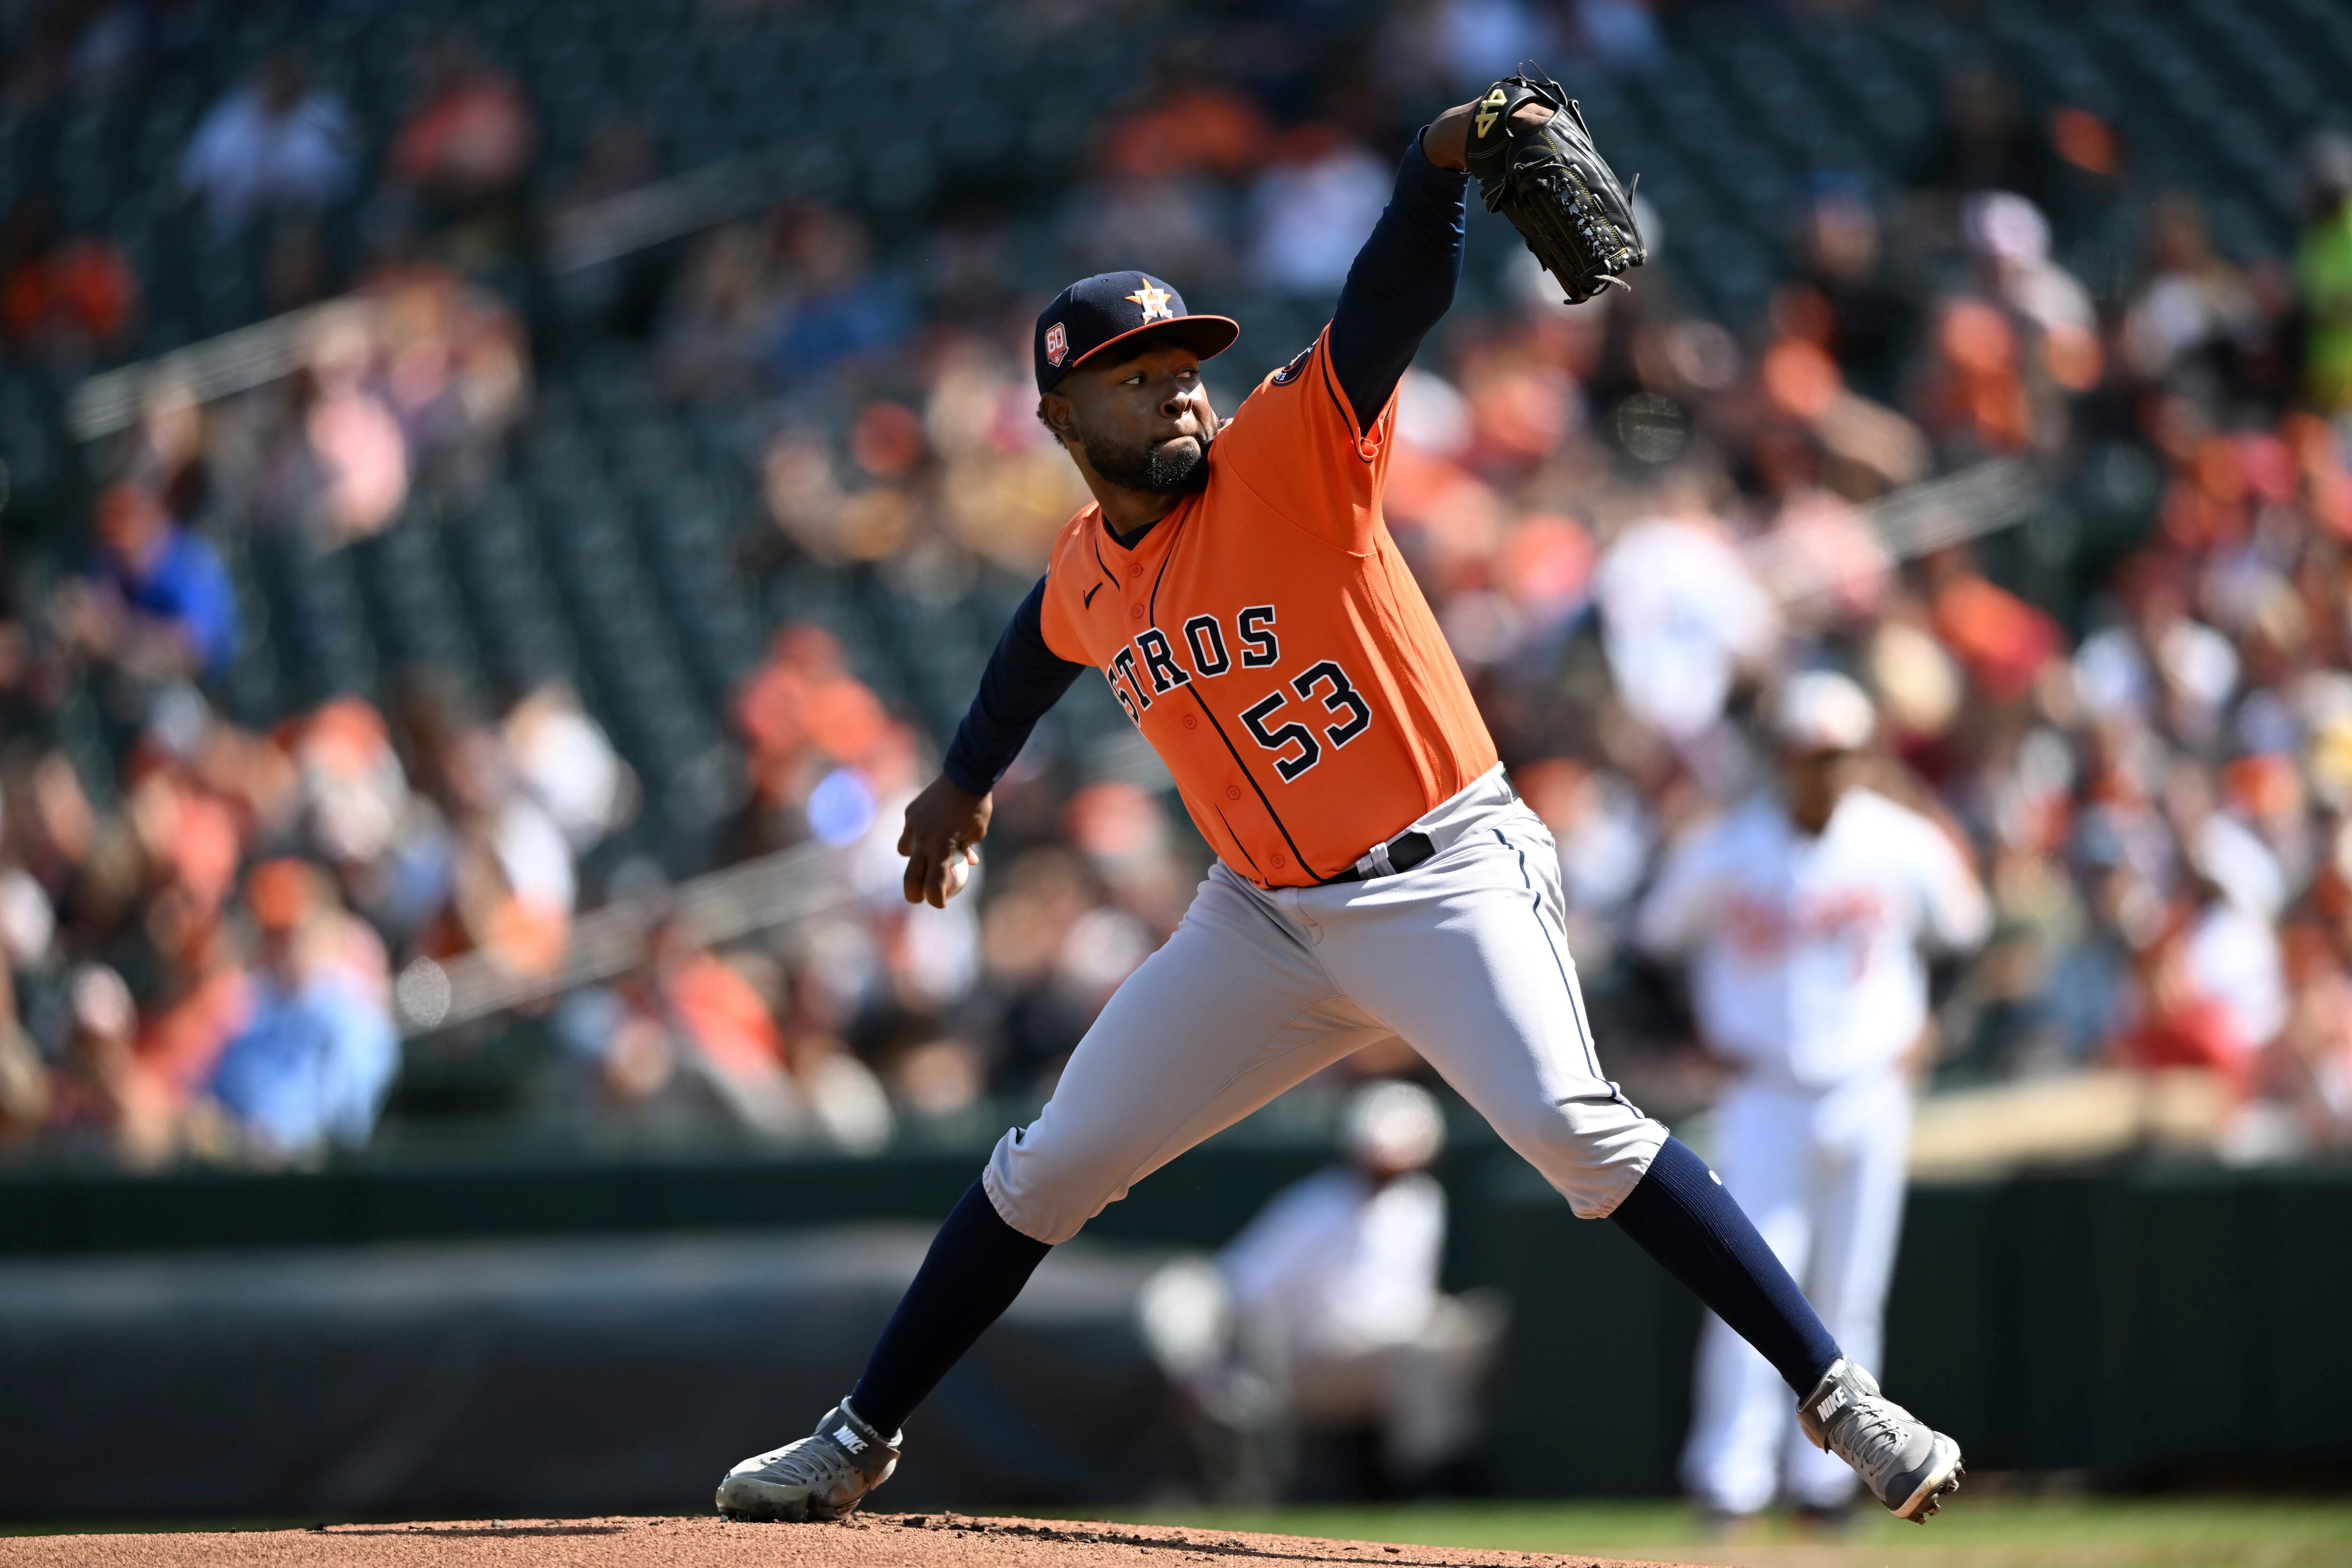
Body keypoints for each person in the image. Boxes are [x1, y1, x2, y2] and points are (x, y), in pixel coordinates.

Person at [716, 81, 1968, 1527]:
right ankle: (859, 1434)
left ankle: (1837, 1395)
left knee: (1576, 1130)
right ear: (1062, 413)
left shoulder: (1285, 457)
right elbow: (1033, 649)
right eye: (1136, 373)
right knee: (1048, 1162)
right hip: (1261, 920)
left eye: (1184, 358)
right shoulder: (1084, 566)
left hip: (1443, 874)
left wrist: (1433, 167)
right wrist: (959, 779)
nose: (1178, 384)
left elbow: (1387, 303)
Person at [1635, 671, 1991, 1527]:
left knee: (1853, 1287)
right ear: (1783, 759)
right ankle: (1731, 1474)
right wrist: (1690, 1030)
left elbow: (1971, 936)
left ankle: (1831, 1480)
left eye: (1839, 754)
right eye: (1810, 755)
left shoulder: (1903, 841)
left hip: (1871, 1086)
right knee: (1752, 1283)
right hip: (1763, 1091)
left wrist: (1936, 1024)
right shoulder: (1725, 847)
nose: (1825, 771)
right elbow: (1650, 947)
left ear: (1864, 756)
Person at [1219, 1079, 1505, 1491]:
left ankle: (1460, 1460)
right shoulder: (1316, 1207)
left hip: (1393, 1344)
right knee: (1418, 1356)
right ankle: (1431, 1485)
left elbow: (1407, 1299)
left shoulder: (1423, 1201)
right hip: (1312, 1364)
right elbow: (1239, 1283)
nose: (1388, 1162)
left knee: (1481, 1324)